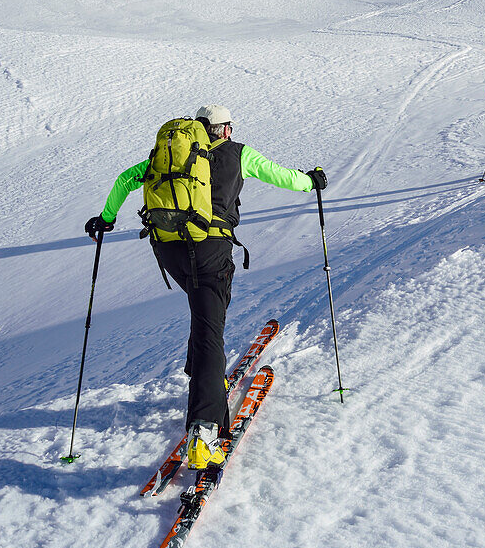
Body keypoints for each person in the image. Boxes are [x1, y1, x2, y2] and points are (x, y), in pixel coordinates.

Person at [84, 103, 327, 468]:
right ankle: (204, 430)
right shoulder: (239, 154)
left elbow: (123, 180)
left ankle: (202, 376)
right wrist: (313, 180)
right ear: (223, 129)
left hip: (168, 250)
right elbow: (286, 178)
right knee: (210, 331)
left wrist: (105, 218)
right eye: (228, 126)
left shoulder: (170, 156)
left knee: (204, 316)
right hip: (209, 251)